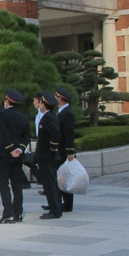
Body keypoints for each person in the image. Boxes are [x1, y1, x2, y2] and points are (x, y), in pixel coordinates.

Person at [0, 89, 31, 224]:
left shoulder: (3, 114)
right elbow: (27, 136)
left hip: (5, 155)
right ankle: (18, 213)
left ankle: (8, 213)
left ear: (7, 101)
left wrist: (10, 149)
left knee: (3, 184)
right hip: (18, 156)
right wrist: (20, 149)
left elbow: (4, 134)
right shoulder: (23, 117)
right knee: (17, 184)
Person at [34, 91, 62, 220]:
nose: (40, 104)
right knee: (49, 183)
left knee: (49, 184)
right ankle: (54, 207)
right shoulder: (48, 116)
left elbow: (55, 134)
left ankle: (55, 210)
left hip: (47, 156)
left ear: (45, 105)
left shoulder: (49, 117)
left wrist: (52, 148)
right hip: (45, 156)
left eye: (41, 102)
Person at [55, 86, 77, 214]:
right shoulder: (61, 112)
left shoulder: (67, 113)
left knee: (65, 177)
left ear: (62, 99)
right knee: (61, 177)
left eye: (57, 96)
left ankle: (67, 204)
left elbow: (69, 134)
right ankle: (58, 202)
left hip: (64, 150)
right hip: (60, 149)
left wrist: (70, 151)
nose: (55, 98)